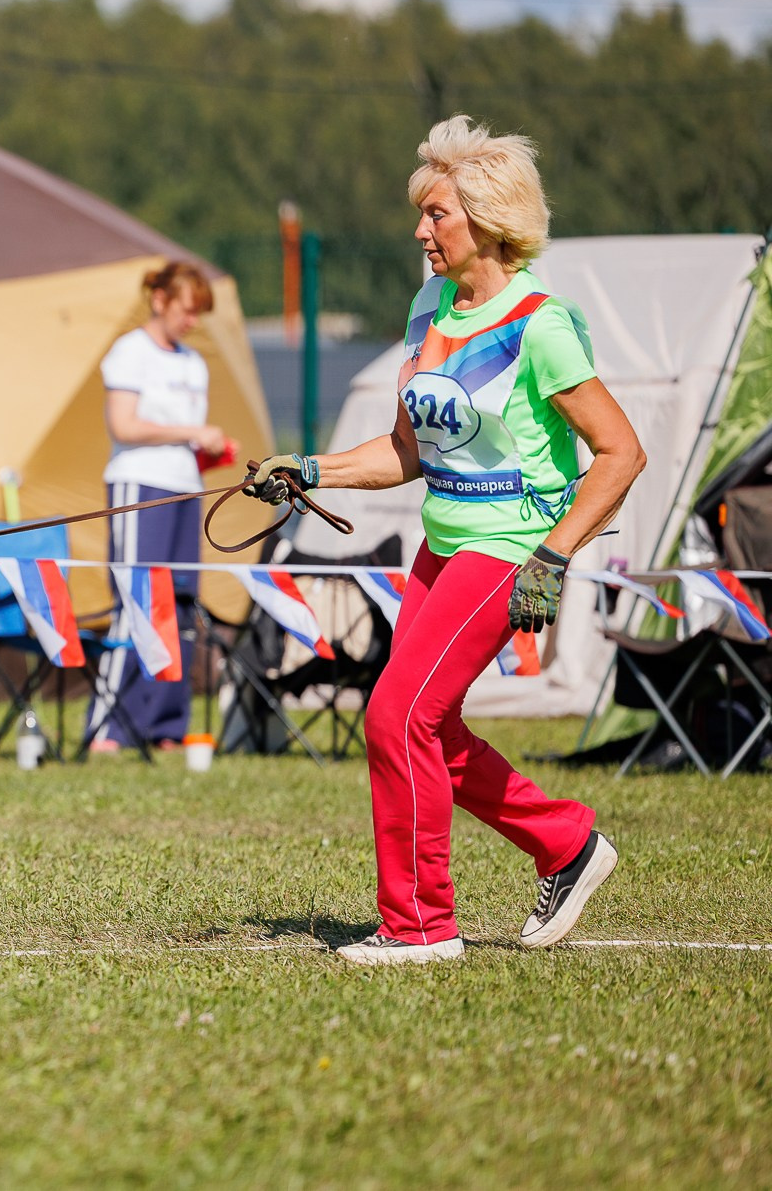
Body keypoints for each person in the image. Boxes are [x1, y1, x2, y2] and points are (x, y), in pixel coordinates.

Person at [247, 115, 643, 966]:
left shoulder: (539, 324)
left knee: (396, 716)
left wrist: (553, 553)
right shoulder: (430, 306)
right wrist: (307, 469)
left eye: (436, 214)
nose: (420, 230)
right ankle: (568, 842)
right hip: (441, 545)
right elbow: (403, 452)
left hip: (508, 551)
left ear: (489, 220)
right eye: (422, 214)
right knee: (426, 725)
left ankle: (420, 927)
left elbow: (620, 454)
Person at [85, 260, 228, 754]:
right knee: (136, 597)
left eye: (198, 314)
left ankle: (164, 724)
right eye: (188, 311)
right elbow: (123, 426)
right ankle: (109, 727)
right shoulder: (130, 352)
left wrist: (205, 447)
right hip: (137, 486)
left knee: (179, 603)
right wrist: (191, 432)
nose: (192, 322)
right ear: (161, 300)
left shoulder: (194, 362)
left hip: (184, 486)